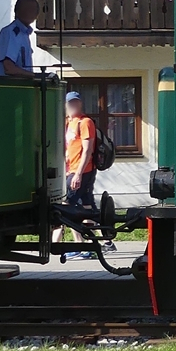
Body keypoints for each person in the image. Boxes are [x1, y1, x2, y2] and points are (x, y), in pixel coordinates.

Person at [56, 91, 116, 258]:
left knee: (68, 207)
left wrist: (78, 174)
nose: (72, 106)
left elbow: (87, 150)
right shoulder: (68, 122)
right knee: (87, 208)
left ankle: (81, 246)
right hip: (71, 170)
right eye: (70, 103)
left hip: (81, 171)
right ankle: (100, 242)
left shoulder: (85, 122)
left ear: (80, 104)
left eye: (75, 102)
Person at [0, 0, 40, 76]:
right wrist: (33, 76)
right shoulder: (11, 32)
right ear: (17, 11)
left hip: (23, 86)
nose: (32, 12)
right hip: (10, 86)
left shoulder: (24, 34)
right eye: (27, 9)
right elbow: (9, 68)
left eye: (35, 10)